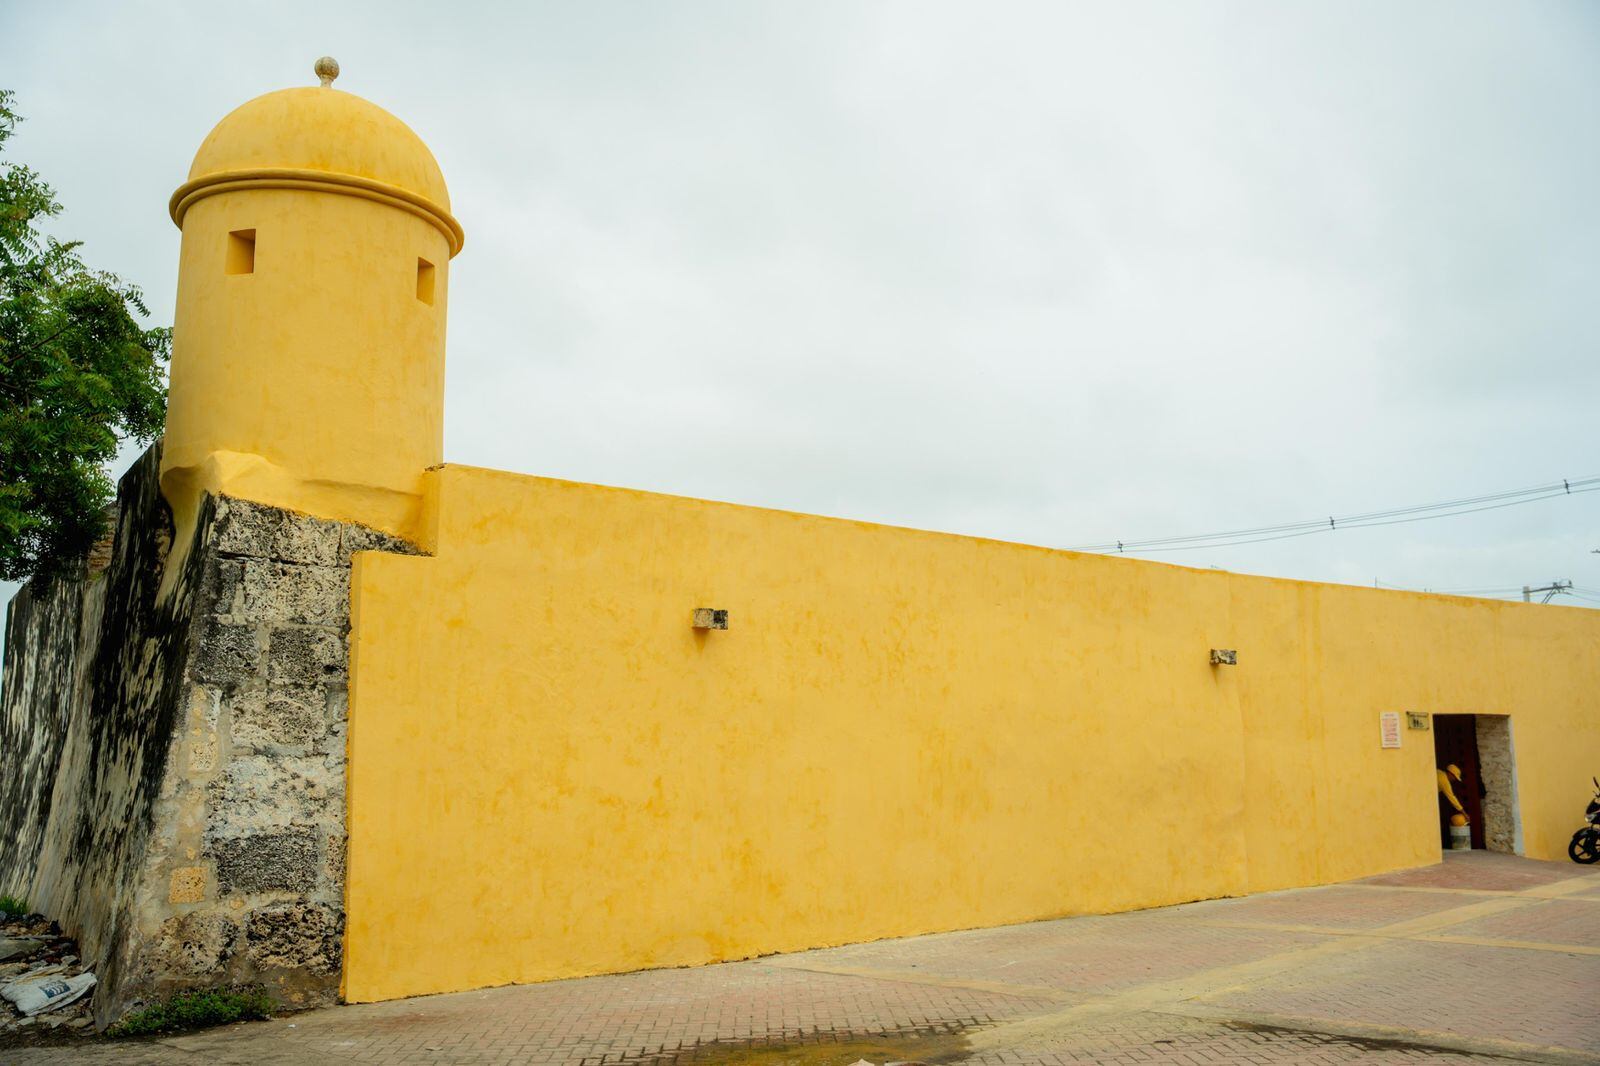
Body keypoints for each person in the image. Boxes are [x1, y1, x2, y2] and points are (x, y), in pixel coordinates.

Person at [1437, 763, 1467, 846]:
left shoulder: (1439, 772)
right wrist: (1464, 813)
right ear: (1450, 773)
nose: (1454, 780)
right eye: (1454, 777)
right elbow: (1452, 798)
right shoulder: (1444, 781)